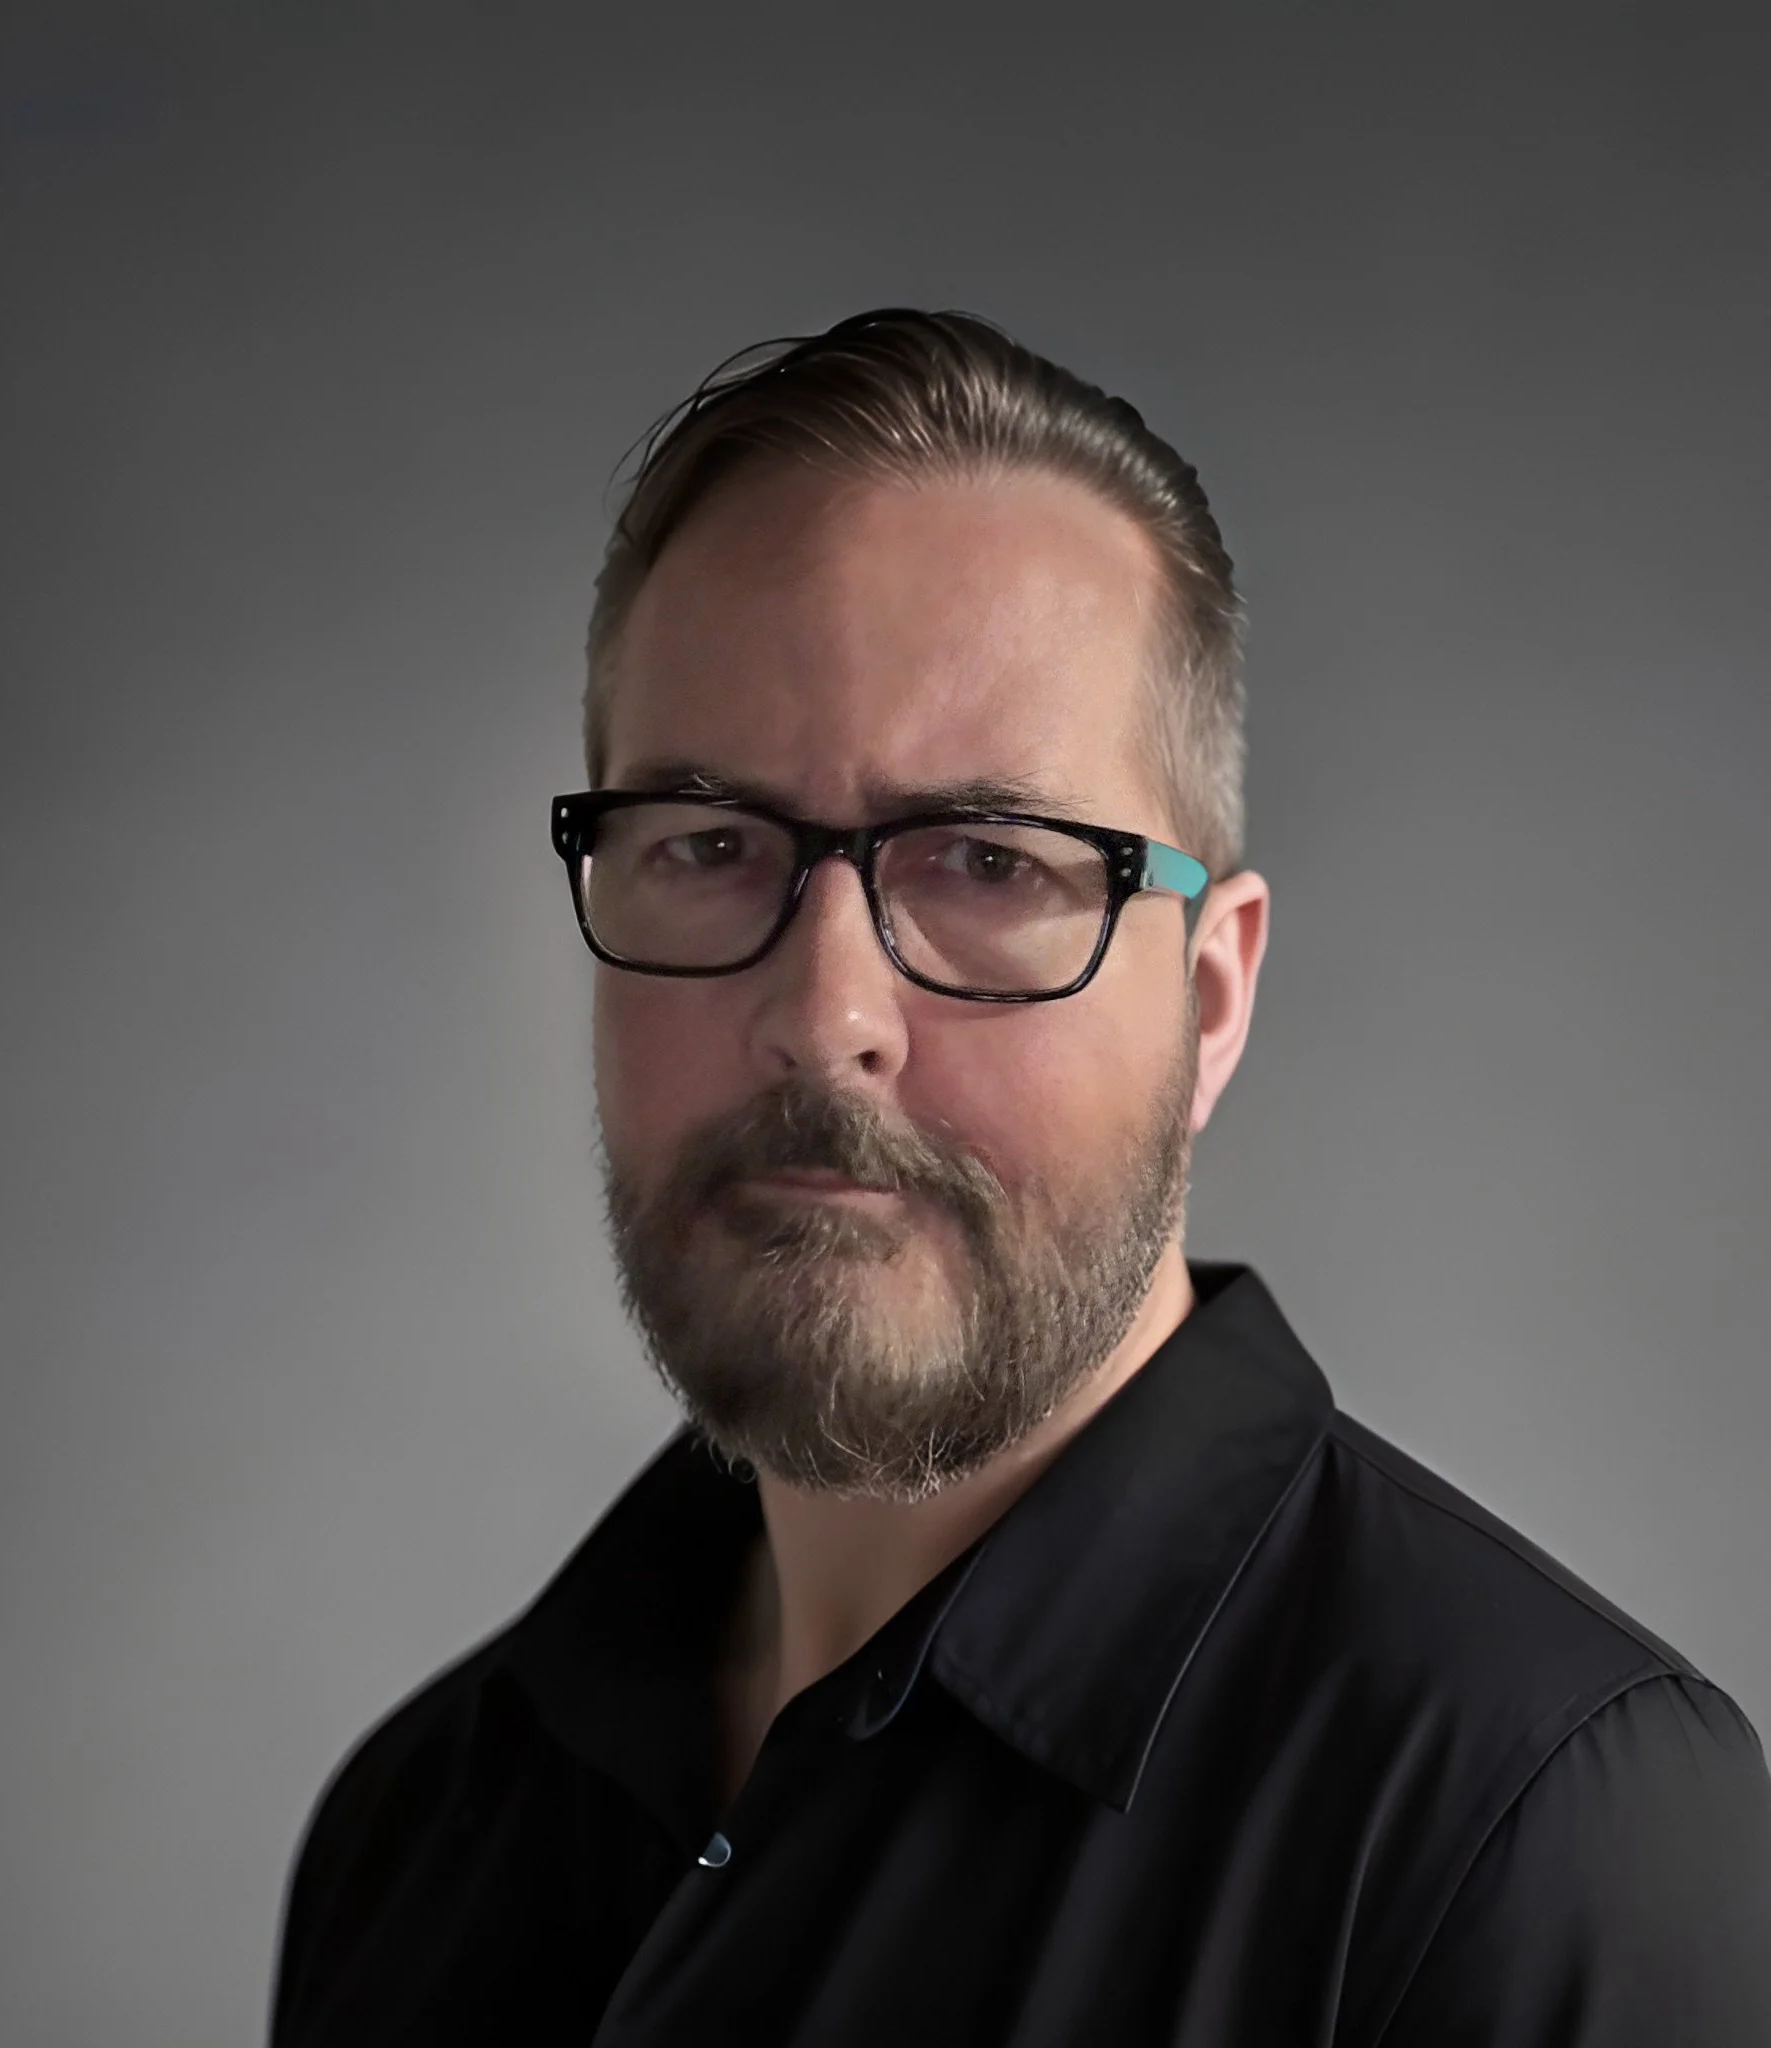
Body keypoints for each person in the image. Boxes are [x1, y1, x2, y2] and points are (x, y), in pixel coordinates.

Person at [268, 308, 1771, 2046]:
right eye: (706, 845)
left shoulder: (1535, 1839)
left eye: (988, 859)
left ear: (1208, 999)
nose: (823, 1018)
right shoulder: (420, 1821)